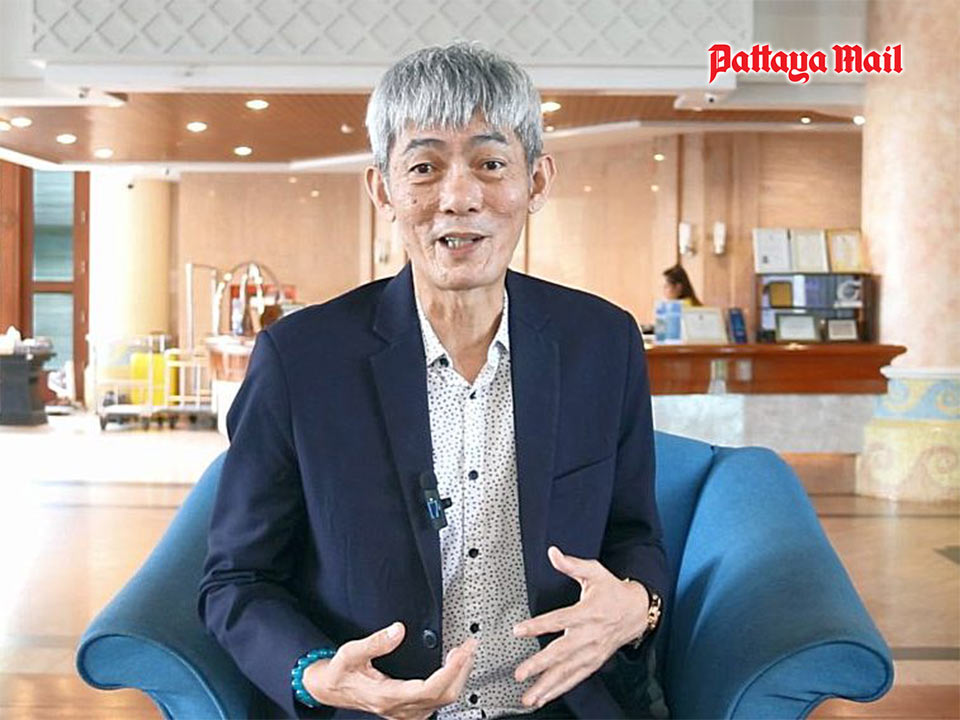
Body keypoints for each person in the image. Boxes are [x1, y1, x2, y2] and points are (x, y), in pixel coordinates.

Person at [198, 42, 668, 720]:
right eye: (424, 167)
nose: (458, 198)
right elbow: (236, 579)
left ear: (536, 182)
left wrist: (638, 605)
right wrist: (319, 675)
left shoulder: (603, 343)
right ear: (382, 189)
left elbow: (635, 535)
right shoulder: (300, 360)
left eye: (491, 164)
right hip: (371, 710)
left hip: (557, 707)